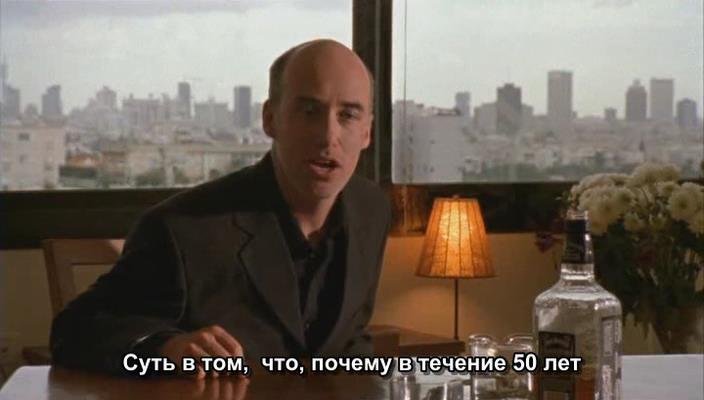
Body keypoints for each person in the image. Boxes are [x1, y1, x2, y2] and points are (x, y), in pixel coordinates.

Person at [50, 39, 392, 378]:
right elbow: (74, 331)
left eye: (348, 115)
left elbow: (350, 339)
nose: (328, 136)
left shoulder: (371, 210)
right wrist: (166, 349)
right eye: (309, 111)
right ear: (270, 119)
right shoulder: (182, 229)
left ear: (367, 132)